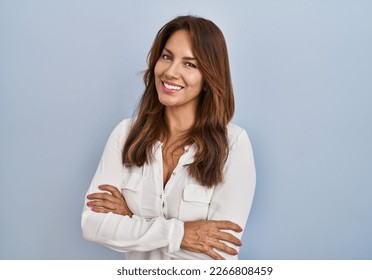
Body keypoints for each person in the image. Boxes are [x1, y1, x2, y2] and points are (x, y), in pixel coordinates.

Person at [81, 15, 256, 260]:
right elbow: (92, 225)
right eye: (167, 56)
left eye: (190, 64)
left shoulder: (234, 145)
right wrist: (180, 234)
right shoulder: (125, 134)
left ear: (209, 78)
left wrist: (132, 221)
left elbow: (218, 253)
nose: (171, 72)